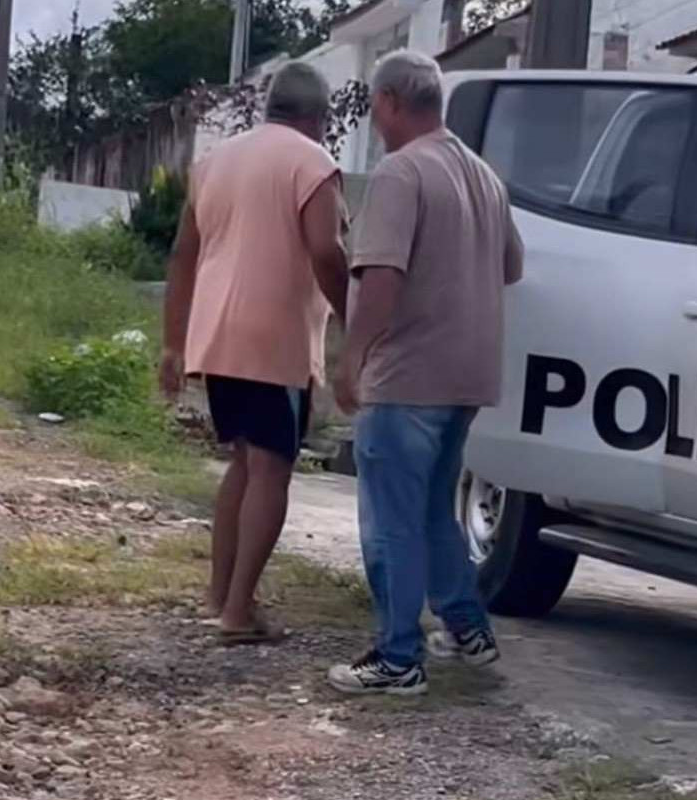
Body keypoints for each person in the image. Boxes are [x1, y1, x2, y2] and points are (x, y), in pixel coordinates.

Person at [328, 50, 524, 695]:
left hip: (407, 374)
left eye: (374, 107)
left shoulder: (401, 171)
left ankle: (397, 657)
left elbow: (383, 275)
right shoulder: (482, 174)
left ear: (388, 102)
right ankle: (468, 629)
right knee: (436, 511)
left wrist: (353, 356)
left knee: (391, 521)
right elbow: (513, 265)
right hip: (466, 373)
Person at [160, 62, 349, 645]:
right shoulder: (313, 163)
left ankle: (222, 594)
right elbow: (326, 249)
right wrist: (353, 312)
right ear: (319, 117)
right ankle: (238, 612)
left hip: (217, 333)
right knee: (271, 469)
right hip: (275, 337)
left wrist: (172, 342)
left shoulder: (215, 162)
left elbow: (183, 255)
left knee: (244, 463)